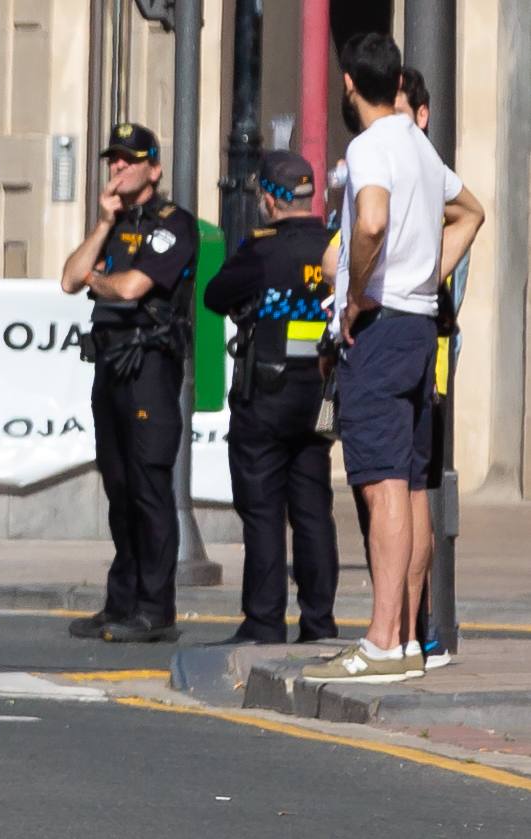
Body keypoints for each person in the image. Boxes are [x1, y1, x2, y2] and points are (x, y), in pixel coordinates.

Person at [302, 35, 483, 683]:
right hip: (416, 326)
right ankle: (405, 638)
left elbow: (370, 221)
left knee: (378, 488)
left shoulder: (370, 146)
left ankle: (380, 641)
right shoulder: (417, 144)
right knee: (406, 489)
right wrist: (428, 275)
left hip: (378, 328)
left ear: (348, 83)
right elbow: (469, 211)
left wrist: (353, 298)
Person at [56, 121, 198, 644]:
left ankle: (156, 608)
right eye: (113, 159)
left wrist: (96, 278)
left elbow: (132, 288)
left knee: (149, 489)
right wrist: (100, 225)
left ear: (153, 169)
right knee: (118, 488)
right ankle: (121, 601)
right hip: (109, 368)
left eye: (128, 159)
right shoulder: (111, 226)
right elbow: (69, 278)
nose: (117, 167)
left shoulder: (172, 224)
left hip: (149, 371)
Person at [201, 151, 339, 646]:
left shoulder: (261, 251)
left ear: (270, 199)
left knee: (262, 511)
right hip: (322, 395)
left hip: (268, 394)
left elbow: (214, 296)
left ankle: (263, 622)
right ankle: (319, 622)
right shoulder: (334, 246)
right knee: (312, 509)